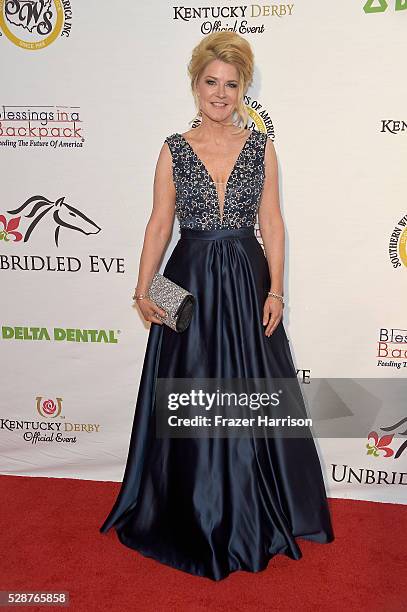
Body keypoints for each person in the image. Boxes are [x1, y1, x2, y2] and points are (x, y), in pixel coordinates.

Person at [99, 31, 334, 581]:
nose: (221, 93)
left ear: (243, 87)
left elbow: (271, 222)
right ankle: (188, 508)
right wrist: (142, 288)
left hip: (247, 280)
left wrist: (277, 290)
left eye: (231, 84)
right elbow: (161, 222)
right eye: (211, 82)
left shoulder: (261, 145)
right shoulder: (173, 147)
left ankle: (257, 510)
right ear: (196, 84)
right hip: (188, 280)